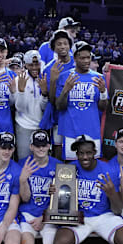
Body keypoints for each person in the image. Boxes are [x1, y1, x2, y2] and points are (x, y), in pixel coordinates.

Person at [55, 41, 108, 161]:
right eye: (82, 58)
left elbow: (103, 107)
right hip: (70, 130)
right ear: (75, 58)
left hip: (92, 129)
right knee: (70, 169)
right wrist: (65, 90)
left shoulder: (98, 77)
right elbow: (59, 106)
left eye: (88, 57)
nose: (86, 61)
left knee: (92, 165)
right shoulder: (65, 76)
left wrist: (103, 92)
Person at [39, 29, 76, 159]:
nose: (62, 47)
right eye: (59, 44)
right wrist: (54, 80)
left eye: (65, 43)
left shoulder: (77, 64)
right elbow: (51, 100)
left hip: (76, 114)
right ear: (53, 48)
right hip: (58, 117)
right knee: (58, 148)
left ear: (70, 46)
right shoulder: (48, 69)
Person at [13, 50, 48, 161]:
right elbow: (19, 108)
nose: (34, 67)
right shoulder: (19, 79)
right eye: (30, 64)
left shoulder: (44, 78)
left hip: (41, 126)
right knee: (24, 160)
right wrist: (21, 91)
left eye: (36, 64)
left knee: (41, 162)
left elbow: (44, 108)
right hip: (24, 126)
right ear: (25, 65)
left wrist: (44, 94)